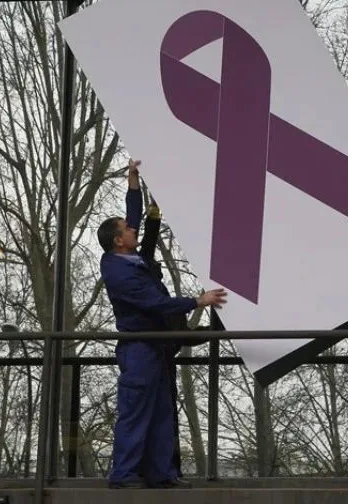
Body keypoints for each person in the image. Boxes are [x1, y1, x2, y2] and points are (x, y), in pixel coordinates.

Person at [98, 159, 227, 489]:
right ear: (118, 241)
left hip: (154, 346)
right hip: (140, 347)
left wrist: (133, 181)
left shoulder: (127, 256)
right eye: (127, 230)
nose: (133, 229)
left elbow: (133, 216)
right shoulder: (121, 273)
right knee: (136, 411)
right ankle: (124, 475)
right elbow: (156, 303)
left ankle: (162, 473)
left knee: (160, 411)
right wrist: (197, 301)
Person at [137, 194, 211, 478]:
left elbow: (183, 335)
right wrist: (154, 213)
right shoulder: (147, 285)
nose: (157, 266)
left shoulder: (160, 293)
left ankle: (168, 470)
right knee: (156, 413)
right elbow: (147, 246)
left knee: (166, 415)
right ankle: (155, 470)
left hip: (165, 355)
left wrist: (213, 332)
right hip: (155, 355)